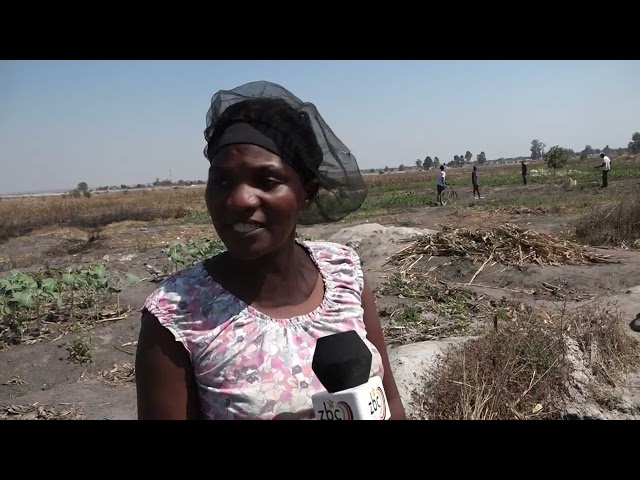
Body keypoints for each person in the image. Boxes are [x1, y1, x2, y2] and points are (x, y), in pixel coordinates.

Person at [134, 80, 407, 420]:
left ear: (306, 192)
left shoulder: (344, 273)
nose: (239, 200)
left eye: (266, 181)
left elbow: (390, 402)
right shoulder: (177, 313)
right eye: (221, 181)